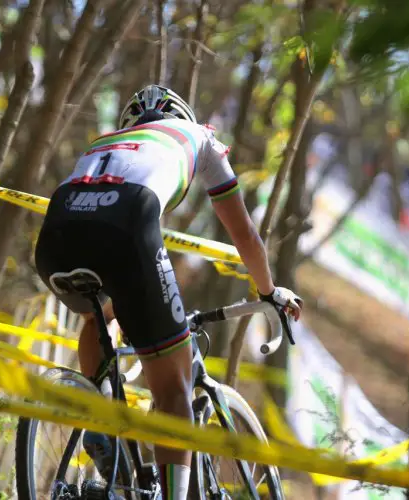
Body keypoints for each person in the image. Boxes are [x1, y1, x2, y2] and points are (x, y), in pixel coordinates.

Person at [35, 84, 303, 500]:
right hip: (126, 221)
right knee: (174, 383)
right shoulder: (199, 138)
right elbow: (246, 236)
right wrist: (268, 291)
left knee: (97, 314)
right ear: (184, 117)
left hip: (55, 234)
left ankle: (99, 422)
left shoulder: (105, 142)